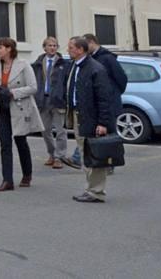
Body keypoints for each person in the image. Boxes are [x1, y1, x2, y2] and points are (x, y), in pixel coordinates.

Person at [62, 35, 115, 203]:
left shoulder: (95, 68)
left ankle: (96, 191)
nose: (68, 50)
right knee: (85, 154)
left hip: (91, 119)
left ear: (80, 50)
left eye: (71, 48)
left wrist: (102, 123)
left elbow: (104, 98)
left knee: (94, 155)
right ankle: (90, 188)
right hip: (79, 116)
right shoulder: (74, 66)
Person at [62, 33, 127, 169]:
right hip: (84, 111)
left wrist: (113, 94)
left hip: (104, 107)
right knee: (88, 143)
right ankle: (87, 163)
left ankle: (106, 164)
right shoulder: (77, 65)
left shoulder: (105, 60)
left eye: (71, 47)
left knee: (103, 139)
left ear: (89, 43)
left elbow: (121, 80)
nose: (67, 50)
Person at [0, 36, 41, 191]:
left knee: (20, 141)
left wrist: (12, 92)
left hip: (18, 108)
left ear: (9, 49)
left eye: (0, 47)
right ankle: (7, 180)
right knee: (5, 144)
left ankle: (27, 174)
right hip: (1, 108)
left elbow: (33, 87)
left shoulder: (23, 66)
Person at [30, 37, 71, 168]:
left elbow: (67, 84)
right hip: (43, 99)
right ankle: (52, 154)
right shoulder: (37, 64)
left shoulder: (64, 64)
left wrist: (64, 98)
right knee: (45, 130)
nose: (52, 48)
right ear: (44, 47)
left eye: (55, 46)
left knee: (60, 130)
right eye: (50, 45)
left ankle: (60, 156)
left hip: (58, 100)